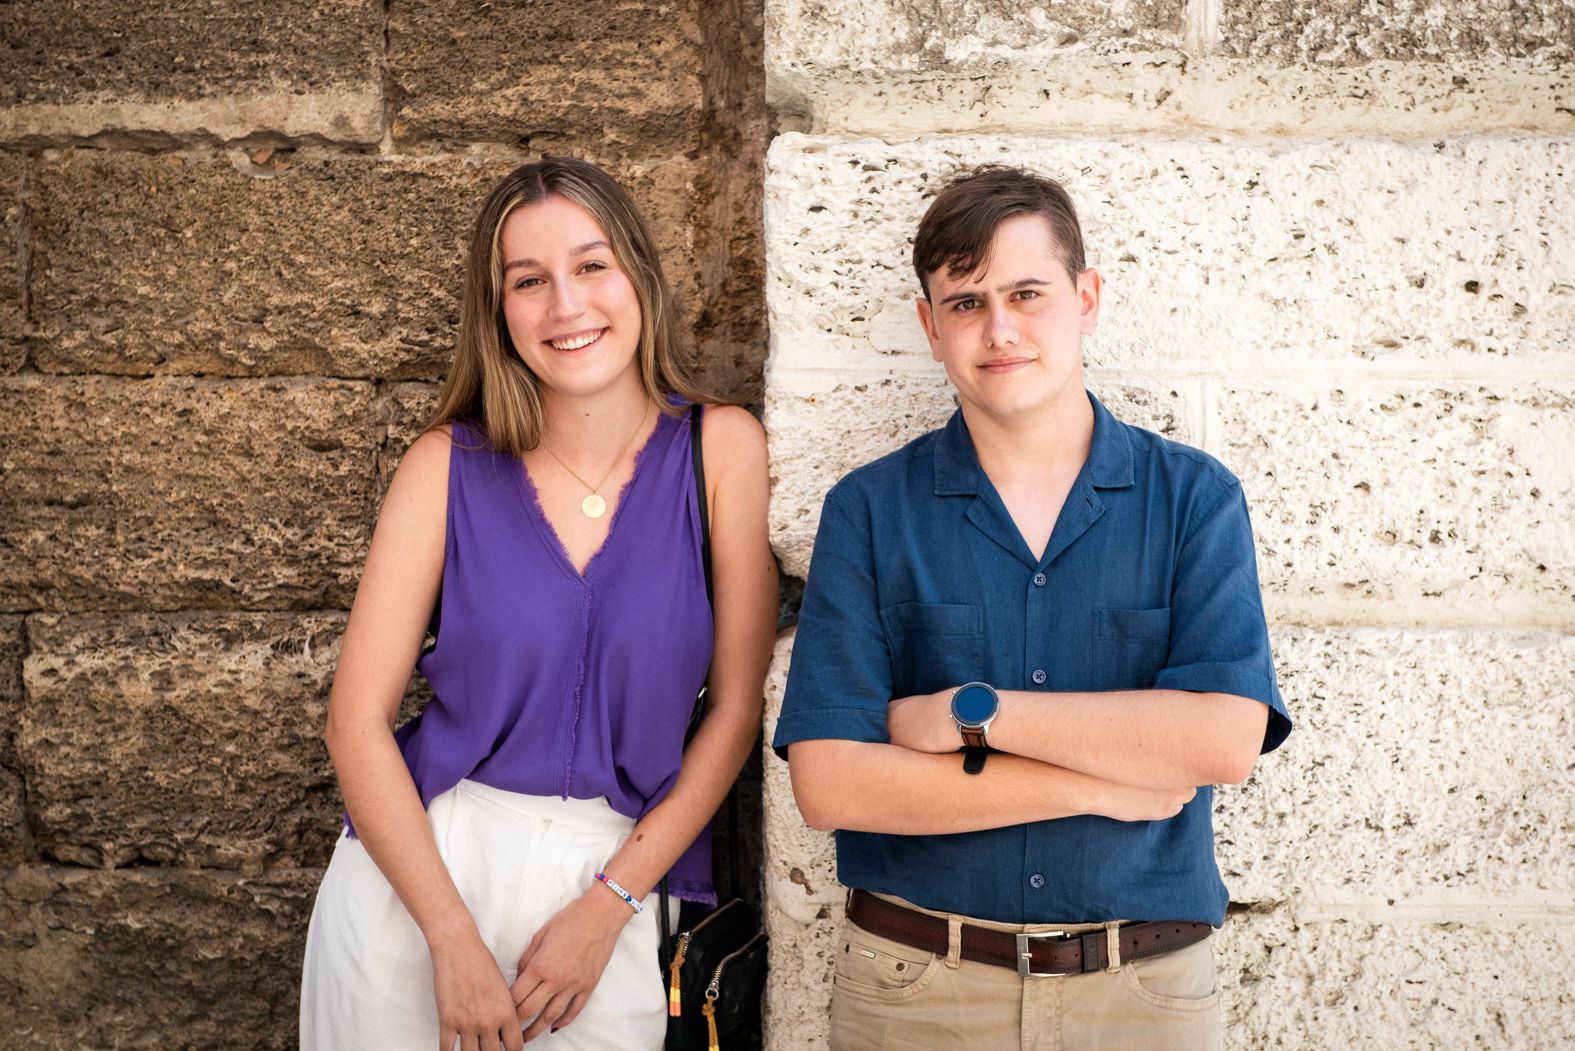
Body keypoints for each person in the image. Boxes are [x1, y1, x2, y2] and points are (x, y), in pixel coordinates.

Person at [772, 166, 1292, 1050]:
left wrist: (968, 715)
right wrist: (1101, 782)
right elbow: (831, 784)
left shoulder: (1191, 498)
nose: (1000, 328)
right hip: (917, 990)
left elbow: (1221, 740)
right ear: (929, 326)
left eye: (1026, 293)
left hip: (1143, 994)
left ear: (1085, 298)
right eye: (966, 302)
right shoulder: (868, 509)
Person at [301, 157, 777, 1051]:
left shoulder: (722, 450)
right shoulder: (445, 465)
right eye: (529, 281)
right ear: (499, 312)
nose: (567, 306)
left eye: (592, 266)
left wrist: (609, 905)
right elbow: (354, 722)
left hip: (614, 880)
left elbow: (735, 709)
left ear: (637, 274)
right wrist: (449, 937)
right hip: (421, 879)